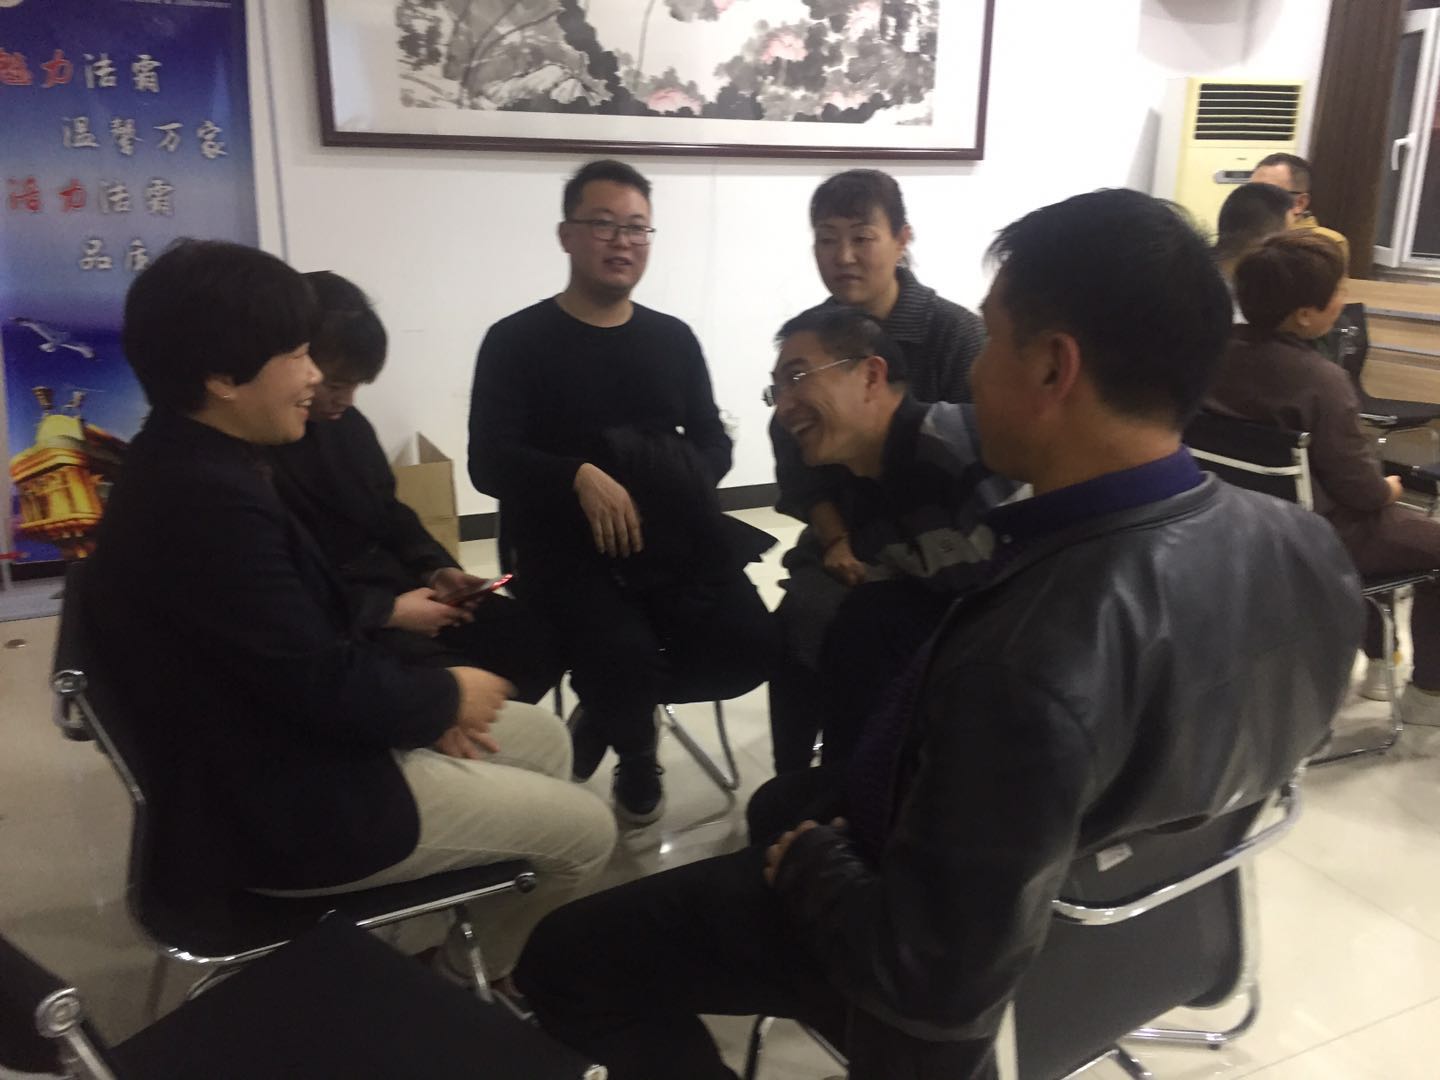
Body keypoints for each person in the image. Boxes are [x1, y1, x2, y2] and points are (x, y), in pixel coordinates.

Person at [511, 189, 1363, 1080]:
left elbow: (925, 980)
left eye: (991, 341)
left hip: (939, 979)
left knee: (566, 960)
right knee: (789, 786)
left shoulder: (1029, 659)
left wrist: (815, 864)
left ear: (1053, 368)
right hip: (1132, 934)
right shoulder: (1309, 550)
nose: (973, 372)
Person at [87, 240, 616, 984]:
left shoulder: (196, 462)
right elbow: (318, 680)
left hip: (287, 747)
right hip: (287, 809)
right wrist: (443, 698)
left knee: (545, 740)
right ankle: (454, 987)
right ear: (221, 378)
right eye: (296, 355)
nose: (314, 377)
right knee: (589, 835)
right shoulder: (206, 504)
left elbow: (303, 632)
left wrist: (426, 689)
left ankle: (457, 930)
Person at [468, 160, 777, 825]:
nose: (622, 242)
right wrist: (576, 476)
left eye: (637, 228)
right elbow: (488, 463)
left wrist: (670, 483)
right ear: (566, 235)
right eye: (603, 224)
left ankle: (608, 712)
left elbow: (713, 442)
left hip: (669, 537)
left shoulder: (672, 339)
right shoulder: (516, 341)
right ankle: (636, 749)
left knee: (750, 644)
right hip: (560, 546)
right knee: (621, 652)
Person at [769, 168, 987, 772]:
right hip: (844, 530)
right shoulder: (810, 336)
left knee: (873, 637)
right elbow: (795, 458)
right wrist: (835, 539)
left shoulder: (956, 334)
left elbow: (981, 456)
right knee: (794, 625)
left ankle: (867, 772)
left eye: (861, 237)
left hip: (946, 539)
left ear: (901, 239)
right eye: (826, 239)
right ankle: (795, 779)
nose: (843, 257)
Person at [270, 270, 562, 705]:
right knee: (453, 684)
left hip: (394, 587)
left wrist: (436, 570)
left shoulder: (347, 427)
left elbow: (388, 511)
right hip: (342, 617)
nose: (346, 400)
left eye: (356, 386)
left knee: (535, 640)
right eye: (335, 385)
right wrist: (389, 612)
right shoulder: (256, 457)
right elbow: (289, 592)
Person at [764, 305, 1015, 764]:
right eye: (776, 390)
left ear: (871, 376)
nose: (783, 408)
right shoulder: (865, 489)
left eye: (797, 378)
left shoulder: (962, 454)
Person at [1206, 230, 1440, 722]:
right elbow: (1360, 490)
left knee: (1388, 533)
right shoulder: (1320, 380)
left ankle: (1382, 662)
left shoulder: (1212, 355)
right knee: (1410, 534)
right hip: (1316, 535)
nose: (1343, 300)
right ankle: (1426, 695)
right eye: (1338, 291)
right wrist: (1388, 489)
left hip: (1232, 525)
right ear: (1305, 315)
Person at [1251, 151, 1351, 265]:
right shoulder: (1246, 233)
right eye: (1250, 192)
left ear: (1299, 203)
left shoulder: (1323, 244)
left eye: (1267, 194)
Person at [1213, 181, 1297, 282]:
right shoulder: (1264, 284)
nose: (1292, 251)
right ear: (1265, 243)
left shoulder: (1200, 271)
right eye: (1287, 242)